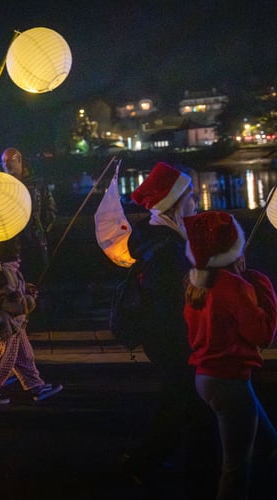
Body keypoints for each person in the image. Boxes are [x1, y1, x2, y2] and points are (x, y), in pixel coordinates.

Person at [121, 162, 219, 497]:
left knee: (177, 400)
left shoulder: (165, 237)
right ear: (175, 203)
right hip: (171, 337)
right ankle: (199, 477)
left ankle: (143, 462)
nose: (195, 203)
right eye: (190, 197)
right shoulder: (167, 248)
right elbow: (171, 302)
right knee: (193, 403)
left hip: (166, 336)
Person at [183, 210, 277, 500]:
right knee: (235, 466)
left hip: (206, 377)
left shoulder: (196, 283)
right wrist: (263, 287)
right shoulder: (236, 286)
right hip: (230, 382)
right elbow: (262, 334)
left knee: (268, 442)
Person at [0, 237, 63, 404]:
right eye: (16, 251)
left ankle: (34, 385)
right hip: (6, 325)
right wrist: (29, 300)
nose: (20, 255)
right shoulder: (6, 273)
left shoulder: (6, 270)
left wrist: (25, 289)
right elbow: (11, 302)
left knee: (25, 356)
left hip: (15, 324)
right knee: (2, 359)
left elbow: (12, 292)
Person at [0, 147, 57, 283]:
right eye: (3, 162)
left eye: (9, 161)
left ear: (19, 160)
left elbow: (50, 208)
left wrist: (40, 228)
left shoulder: (36, 183)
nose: (6, 165)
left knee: (37, 281)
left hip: (34, 243)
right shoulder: (2, 186)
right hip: (11, 245)